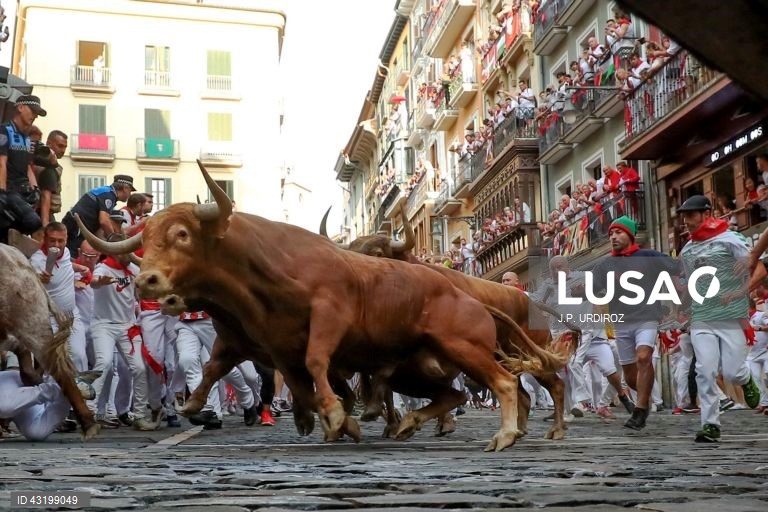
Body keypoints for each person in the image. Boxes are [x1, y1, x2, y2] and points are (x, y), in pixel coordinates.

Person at [677, 195, 761, 442]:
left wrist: (738, 292)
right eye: (684, 217)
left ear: (706, 213)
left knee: (733, 373)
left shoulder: (731, 239)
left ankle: (746, 380)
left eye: (691, 215)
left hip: (731, 316)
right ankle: (710, 424)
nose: (687, 221)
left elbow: (759, 269)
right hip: (702, 317)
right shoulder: (687, 249)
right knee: (704, 370)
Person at [591, 216, 682, 431]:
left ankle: (640, 410)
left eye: (618, 232)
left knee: (644, 357)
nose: (613, 236)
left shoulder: (648, 256)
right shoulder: (605, 264)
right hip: (621, 321)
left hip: (647, 316)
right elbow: (593, 291)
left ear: (630, 235)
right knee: (631, 377)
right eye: (611, 233)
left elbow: (679, 268)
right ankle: (644, 398)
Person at [0, 371, 99, 441]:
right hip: (16, 401)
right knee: (36, 433)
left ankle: (58, 387)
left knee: (4, 407)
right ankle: (67, 390)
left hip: (8, 382)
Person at [0, 95, 47, 241]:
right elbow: (1, 163)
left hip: (22, 191)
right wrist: (1, 192)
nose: (35, 116)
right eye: (33, 111)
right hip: (9, 190)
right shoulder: (4, 130)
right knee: (34, 222)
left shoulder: (27, 138)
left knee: (14, 226)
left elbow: (27, 167)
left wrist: (36, 189)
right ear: (20, 108)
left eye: (37, 114)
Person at [62, 175, 135, 257]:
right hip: (77, 228)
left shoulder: (107, 192)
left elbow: (100, 225)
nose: (130, 194)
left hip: (76, 225)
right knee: (73, 256)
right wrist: (113, 241)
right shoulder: (109, 195)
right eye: (130, 191)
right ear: (125, 188)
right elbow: (104, 221)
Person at [35, 131, 68, 225]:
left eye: (65, 147)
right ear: (49, 144)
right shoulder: (48, 168)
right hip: (42, 213)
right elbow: (46, 195)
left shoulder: (44, 164)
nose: (63, 150)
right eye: (60, 146)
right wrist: (45, 222)